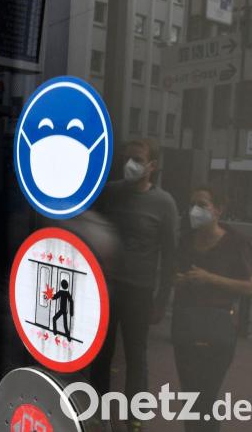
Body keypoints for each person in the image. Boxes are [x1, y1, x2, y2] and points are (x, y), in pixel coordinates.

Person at [91, 138, 178, 432]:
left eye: (138, 159)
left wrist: (161, 301)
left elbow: (170, 255)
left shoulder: (164, 203)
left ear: (152, 166)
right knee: (101, 352)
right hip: (106, 288)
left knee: (136, 355)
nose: (130, 164)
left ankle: (135, 418)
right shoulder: (111, 192)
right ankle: (98, 413)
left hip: (139, 291)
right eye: (128, 158)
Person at [171, 187, 252, 432]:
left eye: (202, 205)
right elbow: (174, 273)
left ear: (218, 210)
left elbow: (249, 286)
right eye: (192, 204)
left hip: (217, 326)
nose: (194, 211)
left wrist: (209, 278)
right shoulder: (186, 239)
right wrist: (179, 280)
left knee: (206, 394)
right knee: (189, 394)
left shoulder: (236, 242)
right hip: (186, 321)